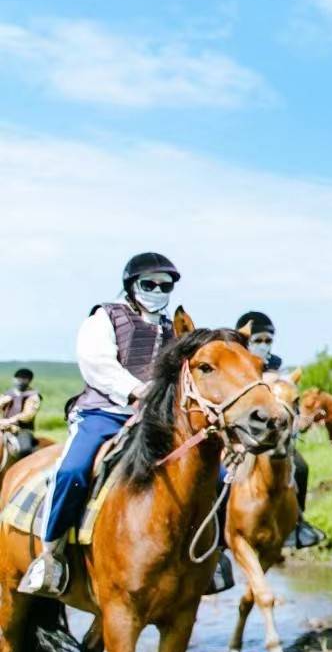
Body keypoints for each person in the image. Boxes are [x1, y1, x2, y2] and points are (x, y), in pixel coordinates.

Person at [20, 253, 232, 596]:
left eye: (166, 286)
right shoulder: (105, 316)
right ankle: (50, 554)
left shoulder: (173, 330)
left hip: (154, 419)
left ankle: (214, 557)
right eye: (149, 284)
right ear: (132, 286)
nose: (157, 291)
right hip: (104, 412)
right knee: (72, 472)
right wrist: (135, 390)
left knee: (218, 477)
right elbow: (97, 364)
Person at [234, 311, 325, 550]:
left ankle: (297, 522)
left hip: (275, 437)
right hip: (242, 435)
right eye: (258, 341)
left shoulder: (276, 367)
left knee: (302, 467)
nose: (263, 346)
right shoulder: (236, 366)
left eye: (267, 341)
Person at [0, 367, 42, 459]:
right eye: (18, 378)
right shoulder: (7, 393)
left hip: (22, 430)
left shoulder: (33, 396)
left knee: (25, 449)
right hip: (3, 426)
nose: (20, 381)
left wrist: (10, 420)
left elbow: (28, 415)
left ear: (29, 381)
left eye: (24, 379)